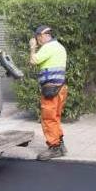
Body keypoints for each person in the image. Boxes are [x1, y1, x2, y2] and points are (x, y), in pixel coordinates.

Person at [29, 25, 68, 160]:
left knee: (48, 119)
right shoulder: (59, 47)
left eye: (38, 38)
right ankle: (60, 144)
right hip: (61, 87)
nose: (38, 41)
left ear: (43, 36)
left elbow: (33, 60)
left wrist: (32, 47)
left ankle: (54, 147)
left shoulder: (48, 47)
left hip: (51, 89)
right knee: (55, 117)